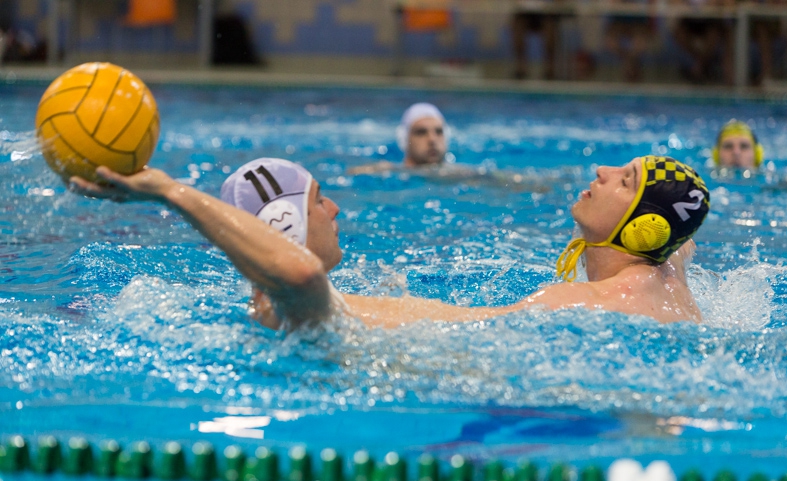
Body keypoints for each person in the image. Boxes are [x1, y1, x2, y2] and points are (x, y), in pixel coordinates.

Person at [69, 155, 709, 329]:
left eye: (624, 180)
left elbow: (472, 329)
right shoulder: (665, 269)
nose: (601, 171)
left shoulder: (592, 304)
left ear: (644, 228)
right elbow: (683, 236)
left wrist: (171, 192)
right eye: (319, 200)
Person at [348, 103, 447, 175]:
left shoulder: (454, 174)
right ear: (405, 140)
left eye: (439, 132)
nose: (432, 139)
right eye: (421, 132)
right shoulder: (385, 172)